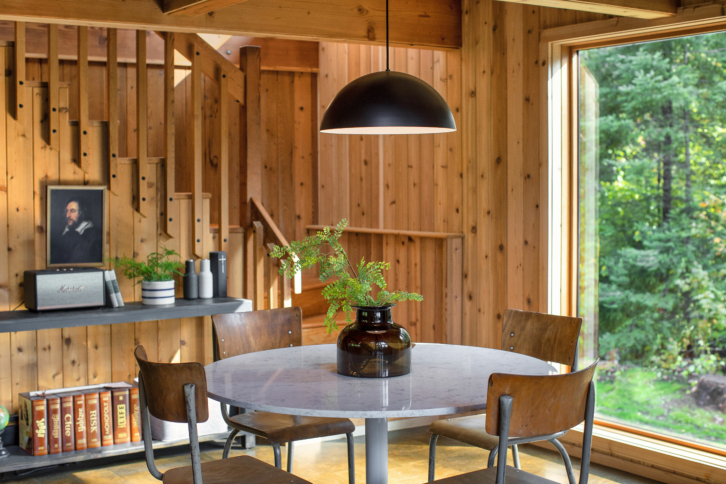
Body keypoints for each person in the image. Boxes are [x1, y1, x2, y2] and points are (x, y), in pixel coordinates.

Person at [52, 197, 103, 265]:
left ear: (82, 213)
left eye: (72, 211)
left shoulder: (95, 236)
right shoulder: (65, 232)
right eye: (67, 211)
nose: (68, 215)